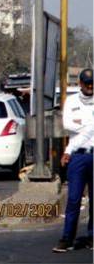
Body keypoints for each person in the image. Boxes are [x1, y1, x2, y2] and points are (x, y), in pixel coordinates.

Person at [53, 68, 93, 253]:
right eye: (87, 83)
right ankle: (67, 238)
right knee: (74, 199)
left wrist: (81, 124)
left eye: (93, 84)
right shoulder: (72, 101)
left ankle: (92, 237)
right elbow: (68, 124)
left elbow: (76, 126)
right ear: (80, 84)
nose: (90, 87)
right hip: (77, 155)